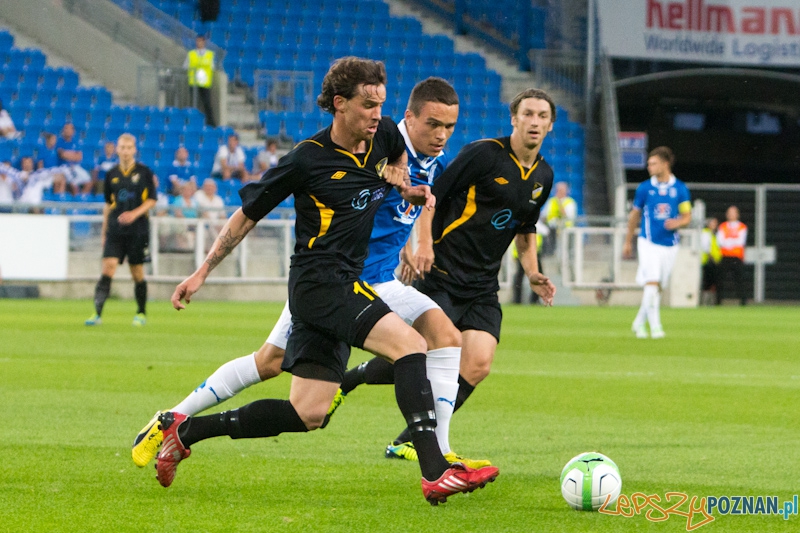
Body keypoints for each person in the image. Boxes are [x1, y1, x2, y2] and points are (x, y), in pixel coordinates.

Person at [133, 58, 498, 504]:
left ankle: (185, 429)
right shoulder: (307, 159)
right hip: (320, 284)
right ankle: (435, 468)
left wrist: (404, 185)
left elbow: (399, 156)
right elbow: (246, 216)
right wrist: (202, 270)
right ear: (339, 105)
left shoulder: (381, 136)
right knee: (412, 346)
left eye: (381, 104)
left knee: (308, 412)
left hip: (348, 284)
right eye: (368, 105)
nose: (376, 115)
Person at [377, 88, 558, 458]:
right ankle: (363, 381)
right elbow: (431, 195)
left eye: (542, 116)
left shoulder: (544, 175)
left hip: (482, 285)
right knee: (421, 354)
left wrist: (534, 272)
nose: (535, 122)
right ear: (514, 118)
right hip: (442, 272)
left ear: (551, 125)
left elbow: (525, 227)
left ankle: (410, 441)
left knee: (477, 364)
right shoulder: (484, 153)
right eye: (528, 114)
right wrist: (423, 244)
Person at [85, 134, 157, 327]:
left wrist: (134, 214)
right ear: (117, 149)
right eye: (122, 147)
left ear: (134, 149)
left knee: (137, 272)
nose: (125, 151)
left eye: (129, 147)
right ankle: (97, 313)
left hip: (138, 230)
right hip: (116, 230)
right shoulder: (111, 174)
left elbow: (151, 200)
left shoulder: (144, 172)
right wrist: (104, 231)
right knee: (108, 267)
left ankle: (141, 313)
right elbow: (108, 205)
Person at [623, 146, 691, 339]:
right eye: (648, 163)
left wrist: (677, 222)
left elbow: (687, 216)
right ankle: (656, 327)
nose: (649, 167)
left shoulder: (680, 189)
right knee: (652, 283)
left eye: (653, 163)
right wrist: (628, 241)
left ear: (665, 164)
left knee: (657, 287)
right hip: (648, 242)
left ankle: (638, 322)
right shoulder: (645, 188)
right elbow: (634, 216)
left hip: (670, 244)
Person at [716, 205, 748, 306]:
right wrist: (731, 242)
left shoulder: (742, 227)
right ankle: (718, 301)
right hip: (725, 256)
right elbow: (720, 241)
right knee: (720, 280)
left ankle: (743, 302)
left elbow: (740, 241)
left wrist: (728, 242)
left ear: (737, 215)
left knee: (740, 280)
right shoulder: (723, 226)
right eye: (729, 212)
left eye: (733, 212)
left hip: (737, 257)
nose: (731, 215)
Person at [184, 35, 215, 126]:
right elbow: (185, 66)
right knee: (193, 104)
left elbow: (212, 67)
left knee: (207, 104)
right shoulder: (191, 54)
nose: (198, 43)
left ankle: (210, 123)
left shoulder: (209, 54)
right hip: (194, 82)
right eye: (197, 41)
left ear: (204, 42)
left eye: (200, 41)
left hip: (205, 83)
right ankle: (193, 122)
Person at [56, 123, 92, 194]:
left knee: (89, 182)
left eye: (70, 129)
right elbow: (62, 155)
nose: (68, 130)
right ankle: (73, 201)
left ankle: (81, 201)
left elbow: (79, 157)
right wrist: (73, 154)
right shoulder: (59, 141)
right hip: (64, 167)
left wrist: (68, 154)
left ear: (73, 131)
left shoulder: (76, 142)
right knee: (74, 185)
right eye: (66, 128)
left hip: (76, 167)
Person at [543, 181, 576, 255]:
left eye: (561, 190)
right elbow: (544, 215)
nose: (559, 192)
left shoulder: (570, 202)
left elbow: (568, 216)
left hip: (565, 231)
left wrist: (559, 203)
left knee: (564, 252)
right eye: (558, 190)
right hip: (552, 230)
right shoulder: (551, 201)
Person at [699, 216, 721, 305]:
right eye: (713, 223)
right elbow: (706, 247)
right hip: (708, 261)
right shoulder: (705, 233)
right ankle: (705, 302)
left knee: (713, 282)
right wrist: (711, 257)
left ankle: (711, 301)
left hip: (714, 261)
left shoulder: (714, 234)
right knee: (708, 282)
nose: (715, 225)